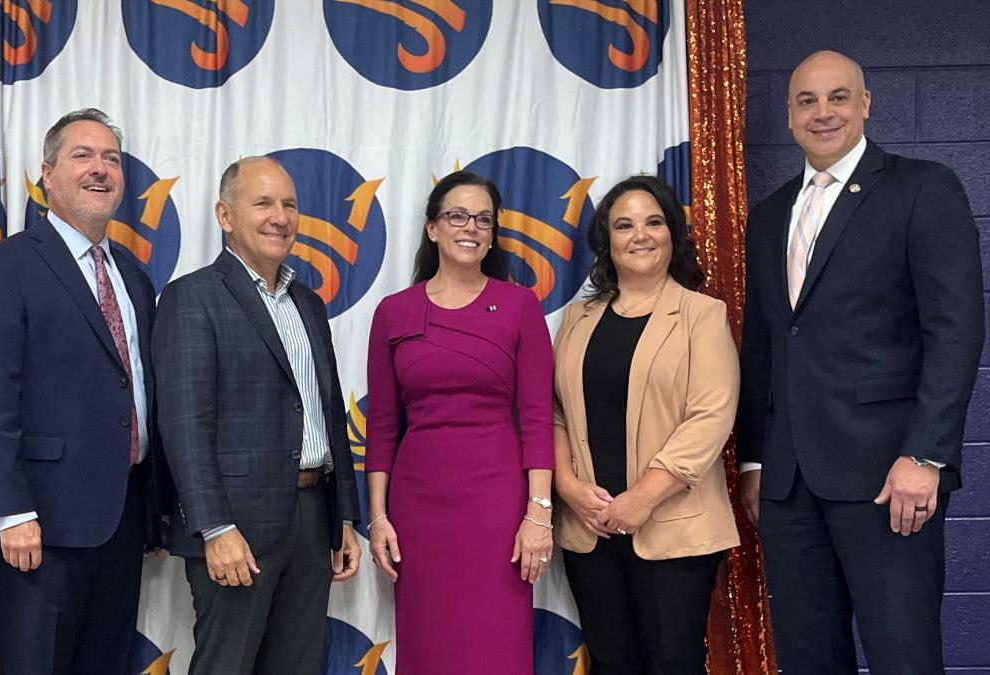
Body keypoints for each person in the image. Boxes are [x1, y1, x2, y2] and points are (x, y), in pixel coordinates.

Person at [737, 50, 983, 674]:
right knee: (809, 658)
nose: (824, 113)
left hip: (888, 477)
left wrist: (925, 456)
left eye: (838, 97)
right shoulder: (768, 218)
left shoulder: (923, 188)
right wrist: (758, 457)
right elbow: (767, 346)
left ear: (866, 103)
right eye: (807, 101)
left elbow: (955, 331)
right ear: (788, 115)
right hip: (789, 487)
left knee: (903, 655)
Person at [0, 109, 169, 674]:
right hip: (39, 523)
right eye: (83, 156)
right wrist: (8, 510)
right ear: (47, 174)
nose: (100, 170)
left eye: (112, 159)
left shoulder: (133, 276)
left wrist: (152, 511)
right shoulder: (6, 266)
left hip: (121, 518)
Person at [153, 156, 362, 675]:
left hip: (314, 518)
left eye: (289, 205)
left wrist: (343, 518)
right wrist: (214, 527)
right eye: (263, 203)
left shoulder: (308, 303)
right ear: (225, 215)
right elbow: (184, 425)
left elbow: (328, 413)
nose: (280, 217)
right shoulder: (191, 297)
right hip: (236, 525)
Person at [364, 170, 554, 674]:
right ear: (432, 228)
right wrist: (379, 517)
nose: (470, 227)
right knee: (430, 644)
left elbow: (537, 418)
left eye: (483, 219)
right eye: (457, 215)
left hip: (498, 508)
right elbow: (381, 425)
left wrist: (539, 512)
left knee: (497, 643)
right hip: (418, 510)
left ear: (492, 234)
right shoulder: (392, 312)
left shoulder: (519, 306)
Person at [551, 175, 739, 674]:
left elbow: (710, 416)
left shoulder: (702, 314)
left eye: (654, 222)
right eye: (625, 224)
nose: (640, 235)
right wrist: (568, 488)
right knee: (612, 664)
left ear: (672, 233)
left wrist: (641, 499)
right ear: (606, 240)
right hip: (590, 529)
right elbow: (554, 413)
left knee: (672, 663)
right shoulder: (577, 319)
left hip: (672, 527)